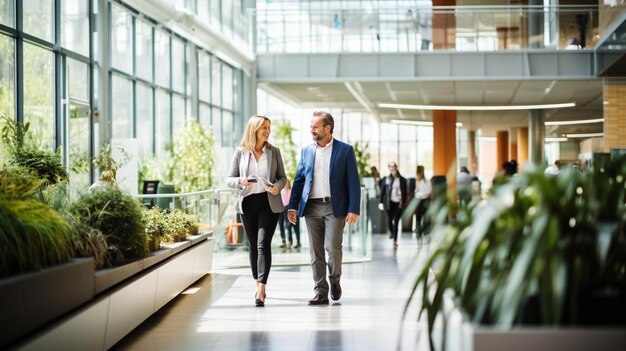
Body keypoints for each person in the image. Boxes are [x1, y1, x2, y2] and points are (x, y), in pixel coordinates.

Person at [287, 111, 361, 306]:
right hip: (311, 207)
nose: (311, 130)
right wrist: (292, 206)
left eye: (315, 126)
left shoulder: (345, 150)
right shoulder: (306, 151)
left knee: (332, 247)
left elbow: (353, 182)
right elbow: (299, 180)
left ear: (328, 128)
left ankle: (335, 280)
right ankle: (320, 291)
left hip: (334, 207)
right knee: (315, 250)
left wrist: (354, 208)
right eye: (311, 126)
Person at [227, 115, 287, 307]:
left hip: (269, 203)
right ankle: (257, 283)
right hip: (248, 203)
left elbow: (283, 177)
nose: (268, 131)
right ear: (254, 130)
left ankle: (261, 288)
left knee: (263, 244)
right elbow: (229, 179)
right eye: (264, 128)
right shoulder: (241, 152)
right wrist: (240, 181)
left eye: (269, 128)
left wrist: (277, 186)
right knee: (253, 245)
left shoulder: (274, 151)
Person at [378, 162, 408, 248]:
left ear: (396, 167)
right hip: (389, 203)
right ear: (389, 168)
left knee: (396, 221)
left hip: (399, 203)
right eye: (390, 167)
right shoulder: (387, 179)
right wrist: (380, 202)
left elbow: (405, 192)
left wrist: (404, 202)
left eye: (393, 167)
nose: (392, 169)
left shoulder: (402, 179)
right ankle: (391, 232)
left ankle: (395, 240)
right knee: (390, 220)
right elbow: (382, 191)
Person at [278, 180, 301, 249]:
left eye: (287, 184)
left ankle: (296, 242)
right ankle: (285, 241)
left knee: (292, 226)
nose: (286, 185)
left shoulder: (291, 191)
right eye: (285, 184)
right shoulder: (281, 192)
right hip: (282, 210)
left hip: (290, 210)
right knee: (283, 226)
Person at [414, 165, 431, 237]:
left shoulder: (426, 181)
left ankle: (425, 230)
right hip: (419, 200)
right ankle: (419, 229)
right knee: (418, 216)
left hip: (425, 199)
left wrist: (421, 194)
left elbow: (429, 191)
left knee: (425, 215)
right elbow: (416, 191)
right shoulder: (417, 181)